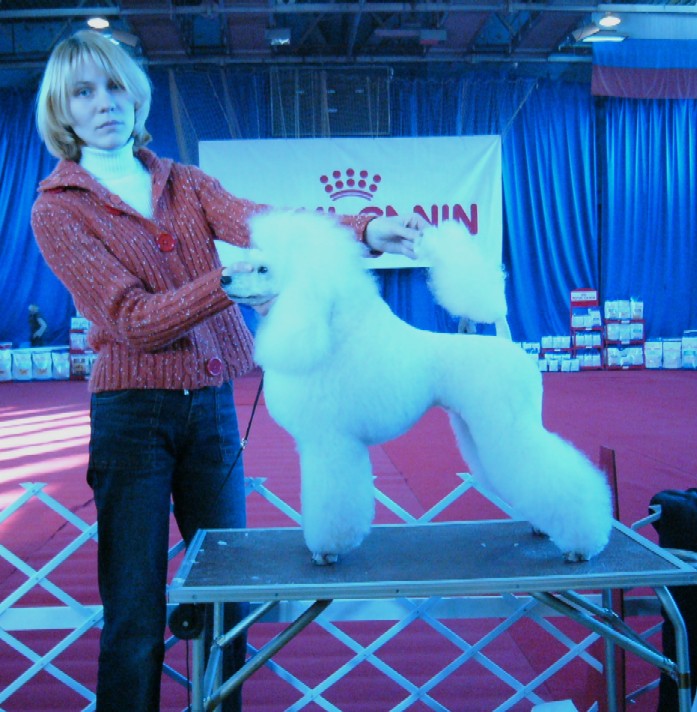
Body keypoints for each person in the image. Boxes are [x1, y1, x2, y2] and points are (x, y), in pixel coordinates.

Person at [31, 29, 424, 712]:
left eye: (115, 86)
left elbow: (267, 223)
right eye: (84, 93)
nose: (104, 103)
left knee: (227, 597)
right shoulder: (57, 210)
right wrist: (232, 282)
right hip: (131, 417)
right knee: (134, 611)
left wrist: (362, 229)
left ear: (136, 94)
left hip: (211, 405)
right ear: (62, 111)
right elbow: (133, 321)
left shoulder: (185, 183)